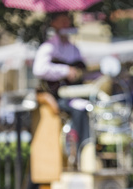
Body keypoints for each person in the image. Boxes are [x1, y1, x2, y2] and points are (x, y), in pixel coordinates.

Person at [32, 11, 90, 149]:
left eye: (67, 20)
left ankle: (92, 148)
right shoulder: (48, 47)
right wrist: (65, 71)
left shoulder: (74, 49)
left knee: (89, 105)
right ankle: (77, 148)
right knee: (79, 109)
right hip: (56, 96)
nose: (66, 24)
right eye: (62, 20)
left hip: (74, 94)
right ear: (53, 23)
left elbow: (83, 71)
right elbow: (39, 69)